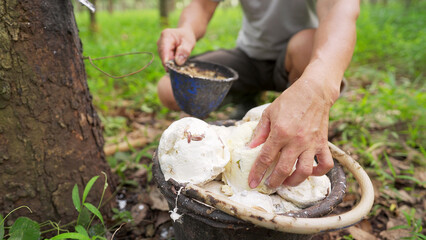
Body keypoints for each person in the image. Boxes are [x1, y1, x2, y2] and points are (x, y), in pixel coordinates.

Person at [156, 0, 360, 189]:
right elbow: (202, 5)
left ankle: (296, 111)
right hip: (249, 56)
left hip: (297, 57)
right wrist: (186, 28)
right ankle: (248, 97)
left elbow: (340, 11)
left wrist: (319, 89)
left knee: (306, 46)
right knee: (169, 89)